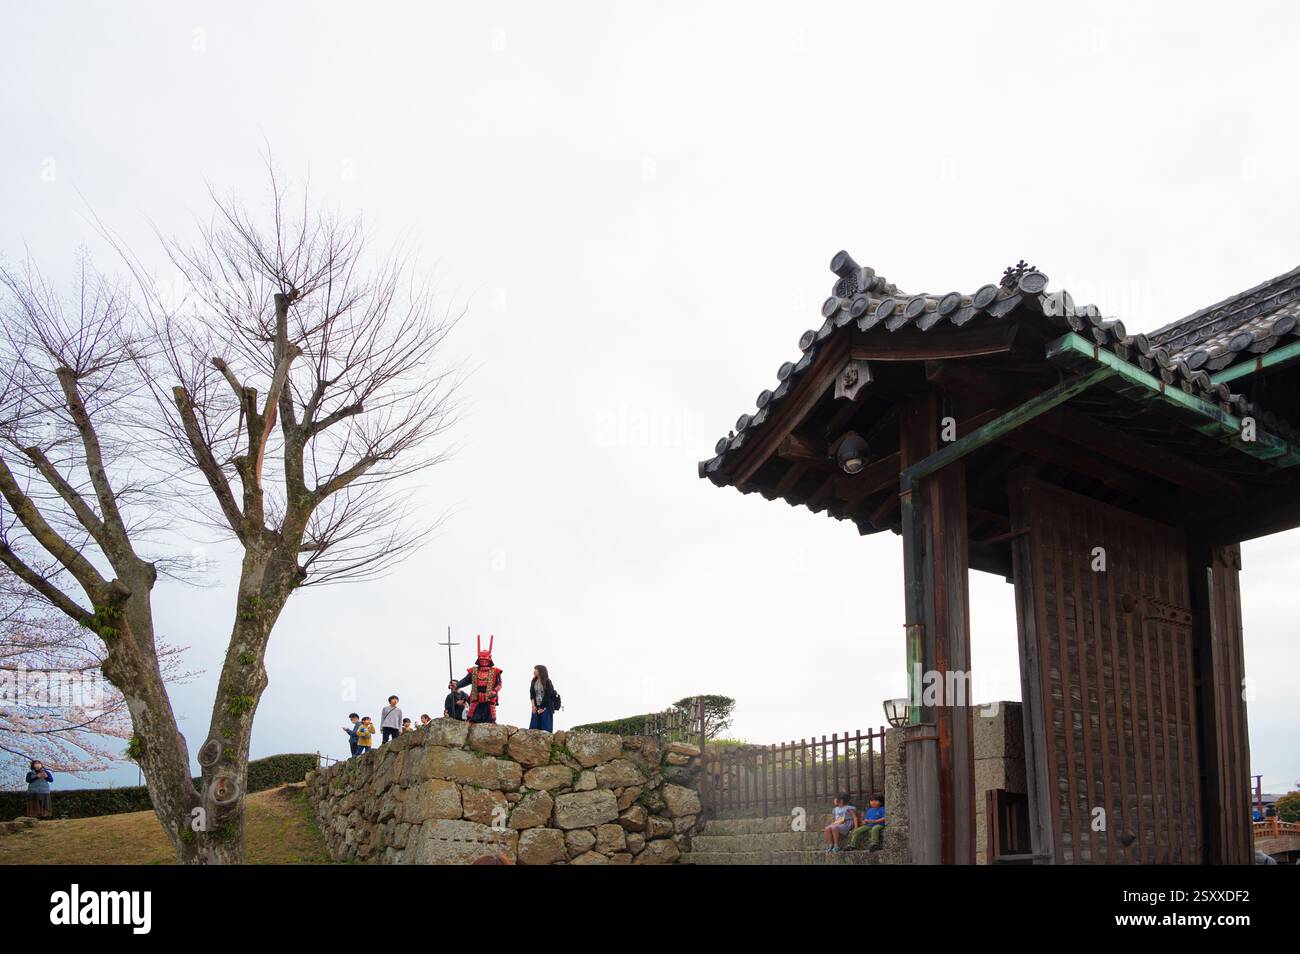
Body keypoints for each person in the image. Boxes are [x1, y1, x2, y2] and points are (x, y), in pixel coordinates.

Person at [453, 634, 502, 724]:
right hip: (476, 695)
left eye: (485, 659)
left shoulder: (495, 671)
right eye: (481, 659)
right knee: (473, 717)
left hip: (490, 697)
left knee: (491, 717)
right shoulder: (473, 671)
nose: (483, 661)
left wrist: (494, 691)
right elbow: (466, 680)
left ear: (489, 659)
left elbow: (499, 684)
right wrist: (457, 685)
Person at [528, 664, 560, 732]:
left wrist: (542, 707)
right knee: (534, 726)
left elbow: (548, 695)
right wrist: (533, 705)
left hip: (546, 707)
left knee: (545, 727)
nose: (534, 671)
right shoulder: (534, 681)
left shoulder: (547, 681)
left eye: (535, 670)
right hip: (536, 706)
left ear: (540, 671)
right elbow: (532, 694)